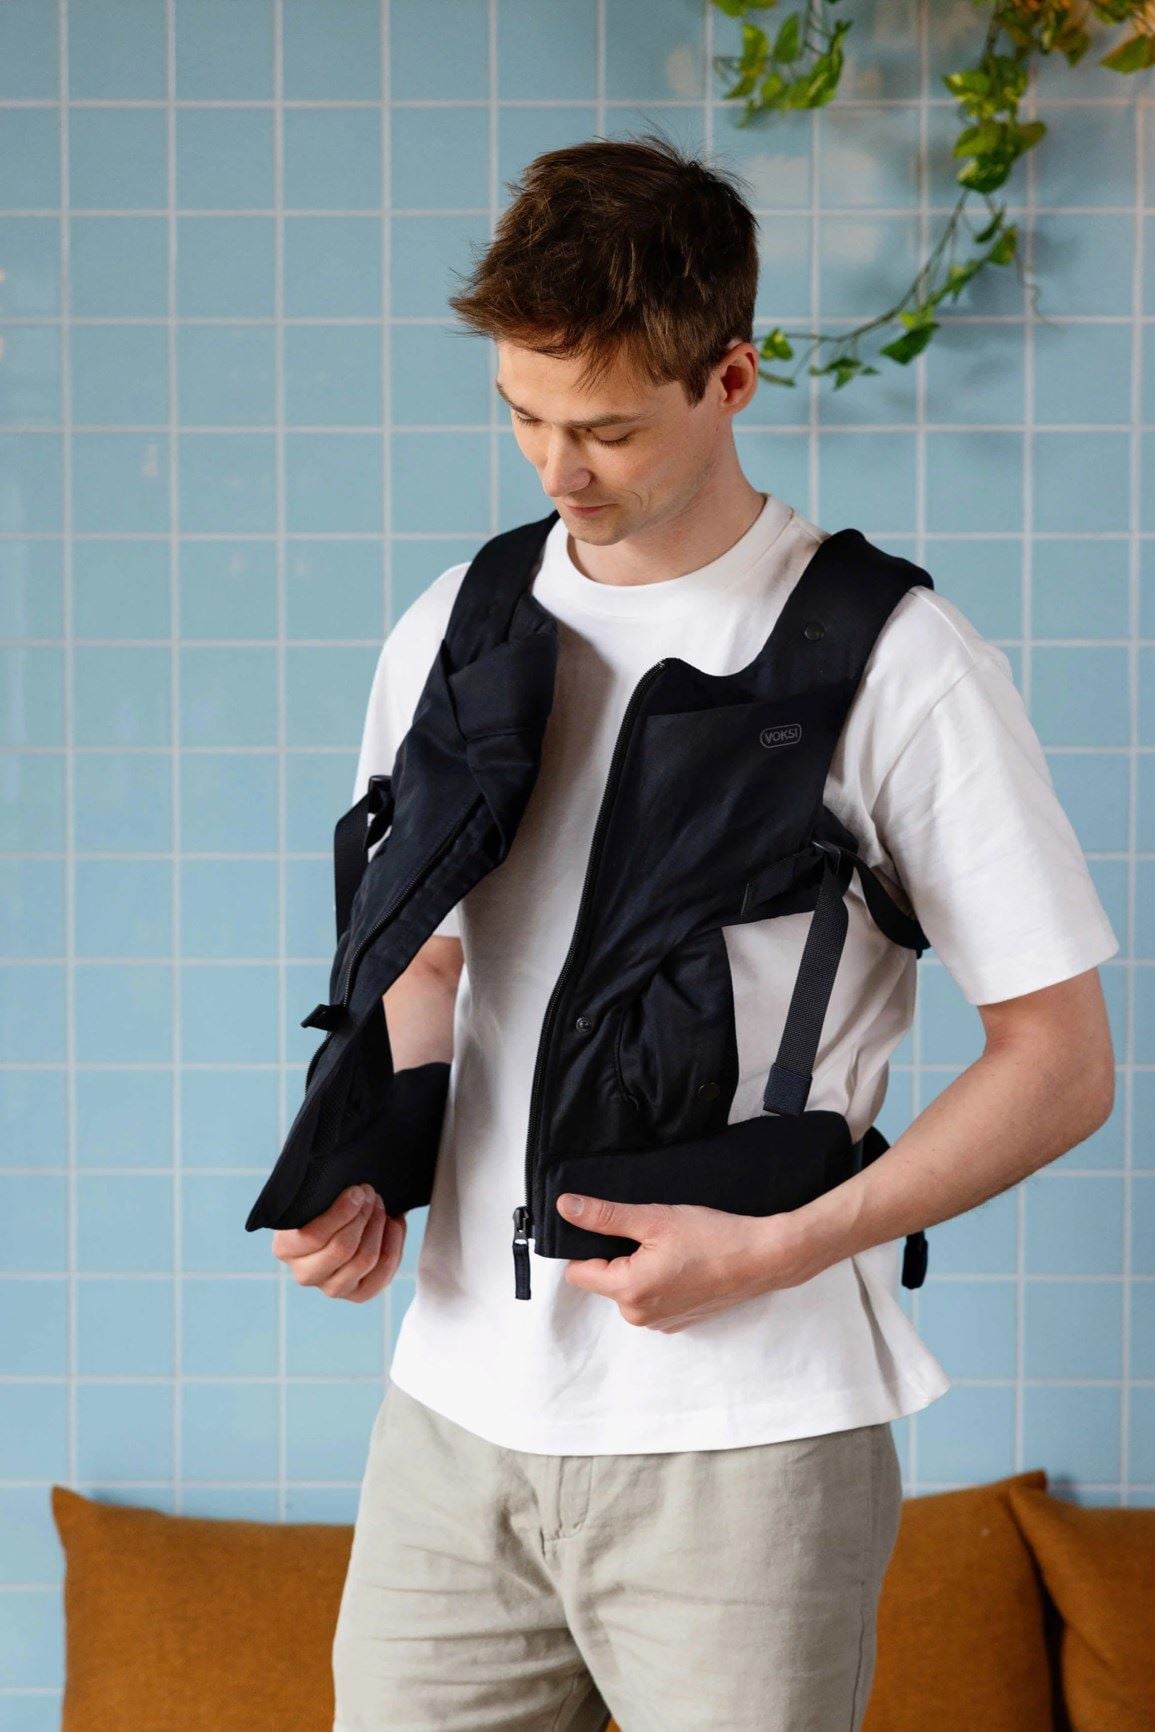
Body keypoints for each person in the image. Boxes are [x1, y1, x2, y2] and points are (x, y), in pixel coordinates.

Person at [272, 134, 1119, 1732]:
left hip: (750, 1440)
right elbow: (430, 960)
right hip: (452, 1426)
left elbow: (1062, 1063)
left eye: (607, 427)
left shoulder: (894, 659)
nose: (557, 470)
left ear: (730, 377)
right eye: (523, 414)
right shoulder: (457, 625)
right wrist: (370, 1161)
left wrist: (784, 1248)